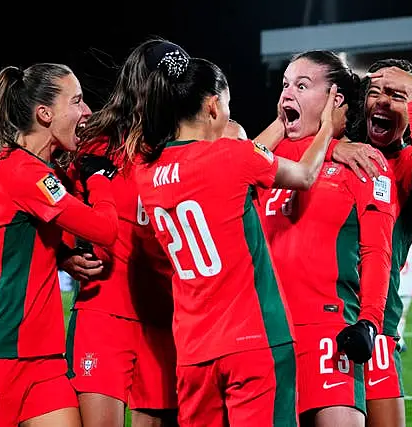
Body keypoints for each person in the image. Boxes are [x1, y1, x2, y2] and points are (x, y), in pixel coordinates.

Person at [132, 52, 340, 427]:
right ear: (213, 105)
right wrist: (328, 127)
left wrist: (279, 123)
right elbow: (305, 175)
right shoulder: (232, 156)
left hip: (194, 350)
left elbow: (235, 165)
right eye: (227, 105)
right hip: (255, 341)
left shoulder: (147, 172)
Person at [0, 63, 119, 427]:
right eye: (78, 101)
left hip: (43, 357)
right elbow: (103, 229)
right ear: (45, 113)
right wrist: (100, 178)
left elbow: (19, 238)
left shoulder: (32, 169)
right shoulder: (23, 172)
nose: (86, 112)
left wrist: (62, 256)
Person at [258, 50, 397, 427]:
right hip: (265, 338)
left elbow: (376, 250)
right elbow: (236, 161)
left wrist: (369, 321)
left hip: (330, 333)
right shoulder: (267, 161)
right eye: (285, 85)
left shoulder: (365, 164)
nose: (288, 94)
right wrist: (329, 141)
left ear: (336, 100)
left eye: (302, 86)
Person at [64, 39, 184, 427]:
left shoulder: (191, 146)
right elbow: (49, 205)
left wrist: (334, 147)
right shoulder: (95, 142)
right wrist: (64, 254)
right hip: (104, 312)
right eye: (165, 81)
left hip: (166, 319)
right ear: (142, 84)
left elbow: (257, 159)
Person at [343, 59, 412, 427]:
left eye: (397, 95)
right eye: (374, 93)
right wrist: (335, 149)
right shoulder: (339, 154)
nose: (383, 101)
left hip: (379, 325)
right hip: (319, 318)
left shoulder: (406, 166)